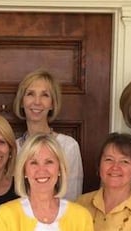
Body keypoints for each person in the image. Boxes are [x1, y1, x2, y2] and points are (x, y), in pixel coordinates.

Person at [13, 69, 83, 200]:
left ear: (52, 104)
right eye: (30, 94)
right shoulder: (14, 148)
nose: (37, 102)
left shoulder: (68, 146)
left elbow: (73, 196)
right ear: (22, 101)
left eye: (45, 95)